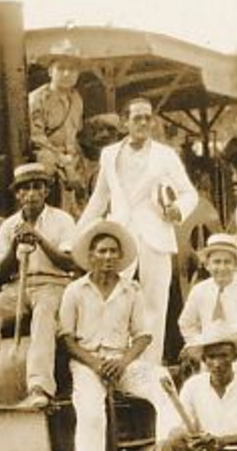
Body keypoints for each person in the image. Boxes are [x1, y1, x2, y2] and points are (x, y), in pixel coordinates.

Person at [59, 220, 171, 451]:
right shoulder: (75, 290)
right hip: (87, 363)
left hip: (122, 361)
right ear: (91, 255)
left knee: (162, 385)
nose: (108, 257)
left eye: (113, 252)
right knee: (92, 413)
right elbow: (67, 338)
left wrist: (123, 361)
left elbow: (144, 334)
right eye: (102, 251)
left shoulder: (131, 290)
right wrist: (94, 364)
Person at [81, 98, 198, 364]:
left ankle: (150, 369)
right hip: (121, 236)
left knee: (154, 307)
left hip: (156, 237)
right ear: (125, 123)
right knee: (115, 299)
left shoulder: (165, 155)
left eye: (148, 117)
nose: (144, 123)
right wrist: (78, 236)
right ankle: (114, 361)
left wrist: (177, 210)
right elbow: (99, 199)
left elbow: (188, 193)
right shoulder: (109, 154)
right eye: (137, 118)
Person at [0, 163, 79, 414]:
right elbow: (0, 273)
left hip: (52, 284)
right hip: (16, 287)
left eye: (37, 187)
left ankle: (39, 388)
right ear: (17, 194)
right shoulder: (8, 226)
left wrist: (39, 239)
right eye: (24, 189)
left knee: (44, 313)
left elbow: (69, 263)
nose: (31, 194)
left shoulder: (63, 220)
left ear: (46, 191)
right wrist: (15, 244)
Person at [177, 232, 237, 374]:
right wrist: (197, 343)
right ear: (207, 265)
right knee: (209, 371)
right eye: (216, 262)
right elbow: (186, 323)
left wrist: (219, 346)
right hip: (210, 348)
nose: (222, 268)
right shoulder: (200, 290)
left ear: (236, 265)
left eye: (227, 262)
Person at [28, 39, 87, 214]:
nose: (67, 73)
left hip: (73, 157)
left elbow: (76, 133)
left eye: (73, 69)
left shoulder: (76, 99)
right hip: (48, 156)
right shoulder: (38, 98)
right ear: (50, 71)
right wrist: (64, 162)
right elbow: (37, 137)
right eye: (61, 68)